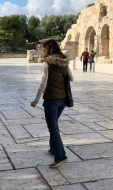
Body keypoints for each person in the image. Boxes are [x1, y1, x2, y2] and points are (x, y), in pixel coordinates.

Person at [31, 39, 74, 169]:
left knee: (53, 128)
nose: (43, 51)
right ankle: (53, 149)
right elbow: (72, 78)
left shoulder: (46, 63)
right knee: (54, 125)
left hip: (51, 100)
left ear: (48, 49)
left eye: (44, 49)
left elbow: (43, 84)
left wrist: (36, 100)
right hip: (62, 99)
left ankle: (61, 156)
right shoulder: (64, 62)